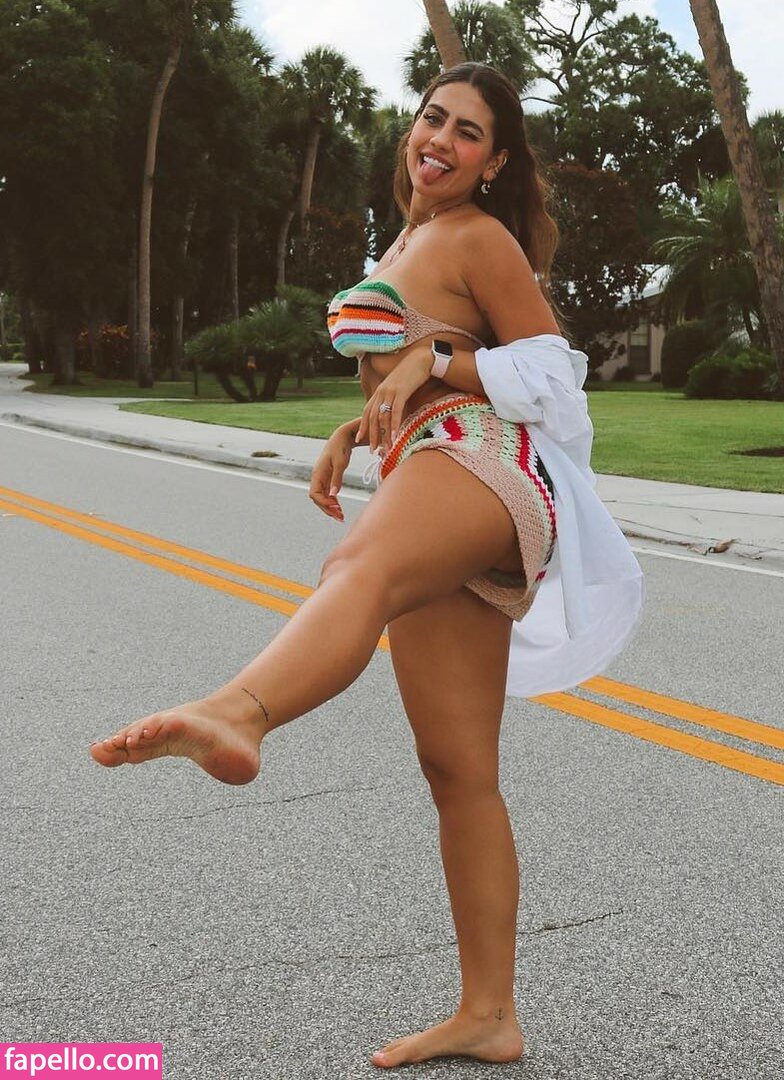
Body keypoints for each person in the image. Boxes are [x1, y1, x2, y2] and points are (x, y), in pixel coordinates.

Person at [90, 63, 643, 1069]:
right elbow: (417, 363)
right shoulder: (406, 240)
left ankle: (239, 712)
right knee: (457, 770)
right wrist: (360, 424)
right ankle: (489, 1014)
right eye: (433, 118)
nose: (441, 140)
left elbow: (553, 375)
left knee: (358, 568)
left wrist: (434, 364)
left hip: (476, 458)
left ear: (495, 161)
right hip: (430, 460)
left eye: (468, 132)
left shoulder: (477, 236)